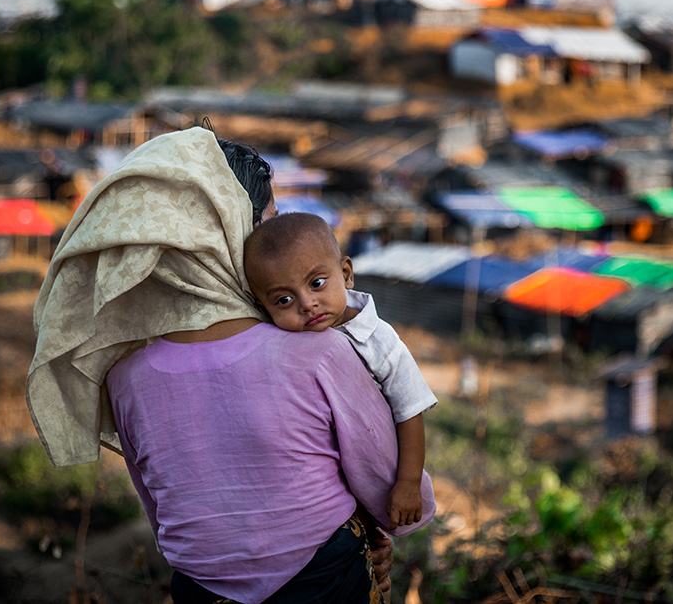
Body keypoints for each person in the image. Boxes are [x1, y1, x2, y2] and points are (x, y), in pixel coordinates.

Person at [27, 127, 432, 602]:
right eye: (265, 224)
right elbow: (382, 477)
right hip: (322, 576)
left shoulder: (125, 378)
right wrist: (381, 530)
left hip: (200, 589)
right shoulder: (317, 350)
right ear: (223, 232)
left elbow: (163, 508)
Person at [244, 213, 438, 530]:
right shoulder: (279, 346)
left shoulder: (380, 340)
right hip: (322, 490)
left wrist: (408, 482)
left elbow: (410, 410)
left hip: (381, 478)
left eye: (317, 283)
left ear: (346, 274)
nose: (307, 304)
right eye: (284, 299)